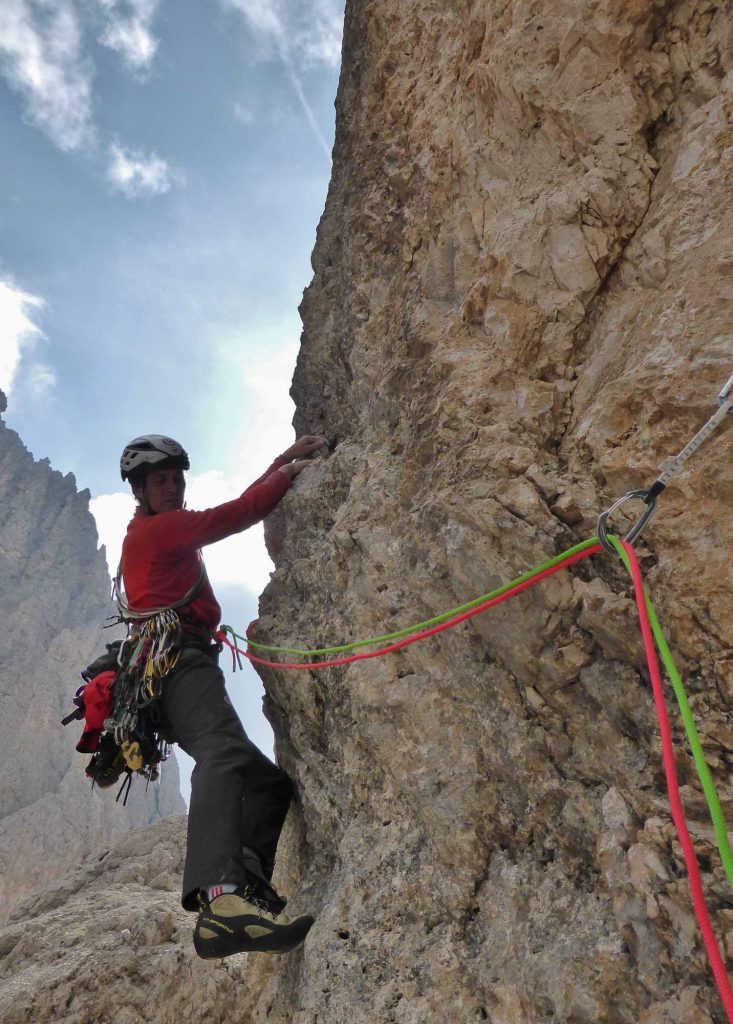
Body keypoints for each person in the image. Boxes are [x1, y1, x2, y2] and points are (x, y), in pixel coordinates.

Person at [118, 432, 326, 959]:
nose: (172, 487)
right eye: (160, 480)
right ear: (141, 489)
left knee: (267, 784)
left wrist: (284, 461)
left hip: (177, 668)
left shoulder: (157, 529)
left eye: (176, 478)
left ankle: (247, 882)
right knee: (224, 754)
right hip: (179, 663)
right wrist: (285, 474)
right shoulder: (158, 531)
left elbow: (231, 509)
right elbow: (235, 515)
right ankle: (222, 902)